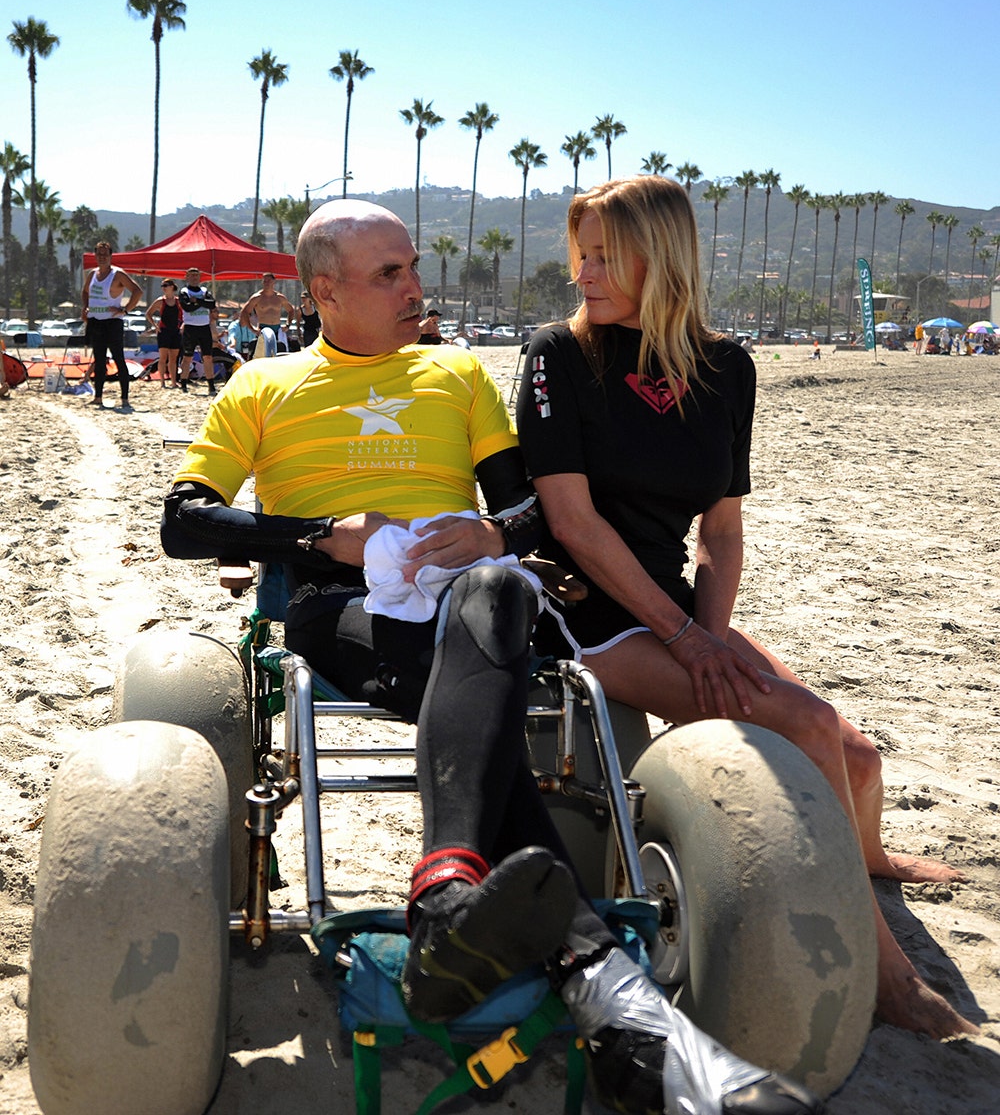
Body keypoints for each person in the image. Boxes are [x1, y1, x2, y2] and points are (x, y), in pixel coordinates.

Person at [160, 199, 819, 1115]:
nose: (415, 287)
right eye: (389, 273)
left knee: (506, 587)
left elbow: (526, 513)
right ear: (325, 291)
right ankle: (595, 979)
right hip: (343, 615)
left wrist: (485, 530)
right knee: (492, 677)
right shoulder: (261, 386)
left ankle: (451, 904)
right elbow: (183, 521)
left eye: (412, 267)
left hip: (474, 609)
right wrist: (324, 538)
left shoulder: (456, 372)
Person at [515, 176, 978, 1043]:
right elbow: (573, 526)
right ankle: (883, 966)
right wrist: (688, 641)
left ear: (667, 258)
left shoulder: (725, 366)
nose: (584, 271)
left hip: (675, 606)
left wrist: (711, 640)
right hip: (582, 606)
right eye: (581, 251)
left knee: (855, 752)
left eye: (607, 254)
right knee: (801, 724)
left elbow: (720, 530)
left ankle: (868, 862)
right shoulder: (557, 358)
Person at [82, 242, 143, 413]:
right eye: (99, 253)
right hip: (95, 322)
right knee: (99, 361)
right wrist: (85, 307)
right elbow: (85, 291)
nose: (102, 257)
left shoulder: (118, 274)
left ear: (110, 256)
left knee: (119, 359)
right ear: (95, 255)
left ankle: (124, 398)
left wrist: (125, 309)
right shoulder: (93, 274)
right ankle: (98, 397)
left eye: (105, 254)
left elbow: (137, 291)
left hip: (112, 322)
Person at [178, 268, 220, 396]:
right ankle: (184, 383)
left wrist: (197, 301)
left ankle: (211, 385)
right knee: (187, 357)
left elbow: (212, 304)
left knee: (207, 357)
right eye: (192, 276)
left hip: (204, 327)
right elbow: (187, 307)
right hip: (190, 327)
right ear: (187, 277)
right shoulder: (184, 291)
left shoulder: (204, 291)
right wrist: (202, 303)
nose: (195, 278)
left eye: (197, 276)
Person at [238, 272, 299, 351]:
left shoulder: (280, 297)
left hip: (277, 329)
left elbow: (291, 310)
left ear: (274, 282)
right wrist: (252, 328)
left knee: (279, 353)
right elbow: (245, 312)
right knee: (263, 353)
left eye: (269, 281)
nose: (266, 283)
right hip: (263, 329)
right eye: (264, 281)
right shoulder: (257, 297)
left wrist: (287, 325)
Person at [145, 278, 183, 388]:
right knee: (162, 358)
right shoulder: (160, 301)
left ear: (172, 287)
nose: (163, 288)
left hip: (175, 331)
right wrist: (155, 326)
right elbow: (148, 314)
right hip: (164, 331)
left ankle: (173, 381)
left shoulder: (178, 301)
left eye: (165, 285)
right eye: (162, 286)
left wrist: (182, 326)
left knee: (173, 359)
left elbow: (184, 315)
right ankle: (162, 382)